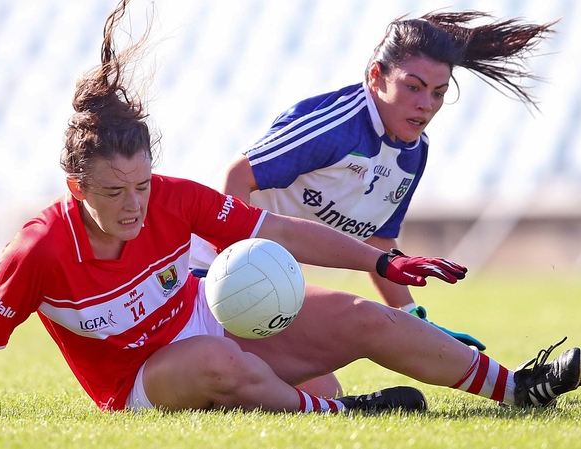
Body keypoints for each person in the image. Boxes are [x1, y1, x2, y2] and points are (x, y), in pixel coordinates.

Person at [0, 1, 581, 415]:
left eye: (142, 185)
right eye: (114, 192)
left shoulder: (175, 198)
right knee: (226, 367)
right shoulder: (40, 249)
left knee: (358, 325)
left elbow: (284, 230)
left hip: (211, 313)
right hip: (138, 382)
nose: (135, 205)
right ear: (75, 187)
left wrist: (385, 265)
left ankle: (518, 388)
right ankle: (345, 416)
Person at [189, 11, 558, 396]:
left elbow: (378, 240)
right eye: (413, 87)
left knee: (323, 391)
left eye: (438, 93)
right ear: (376, 76)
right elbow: (237, 176)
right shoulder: (338, 126)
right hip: (204, 275)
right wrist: (237, 269)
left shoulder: (414, 152)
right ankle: (517, 388)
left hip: (261, 288)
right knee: (361, 318)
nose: (426, 104)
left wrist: (413, 315)